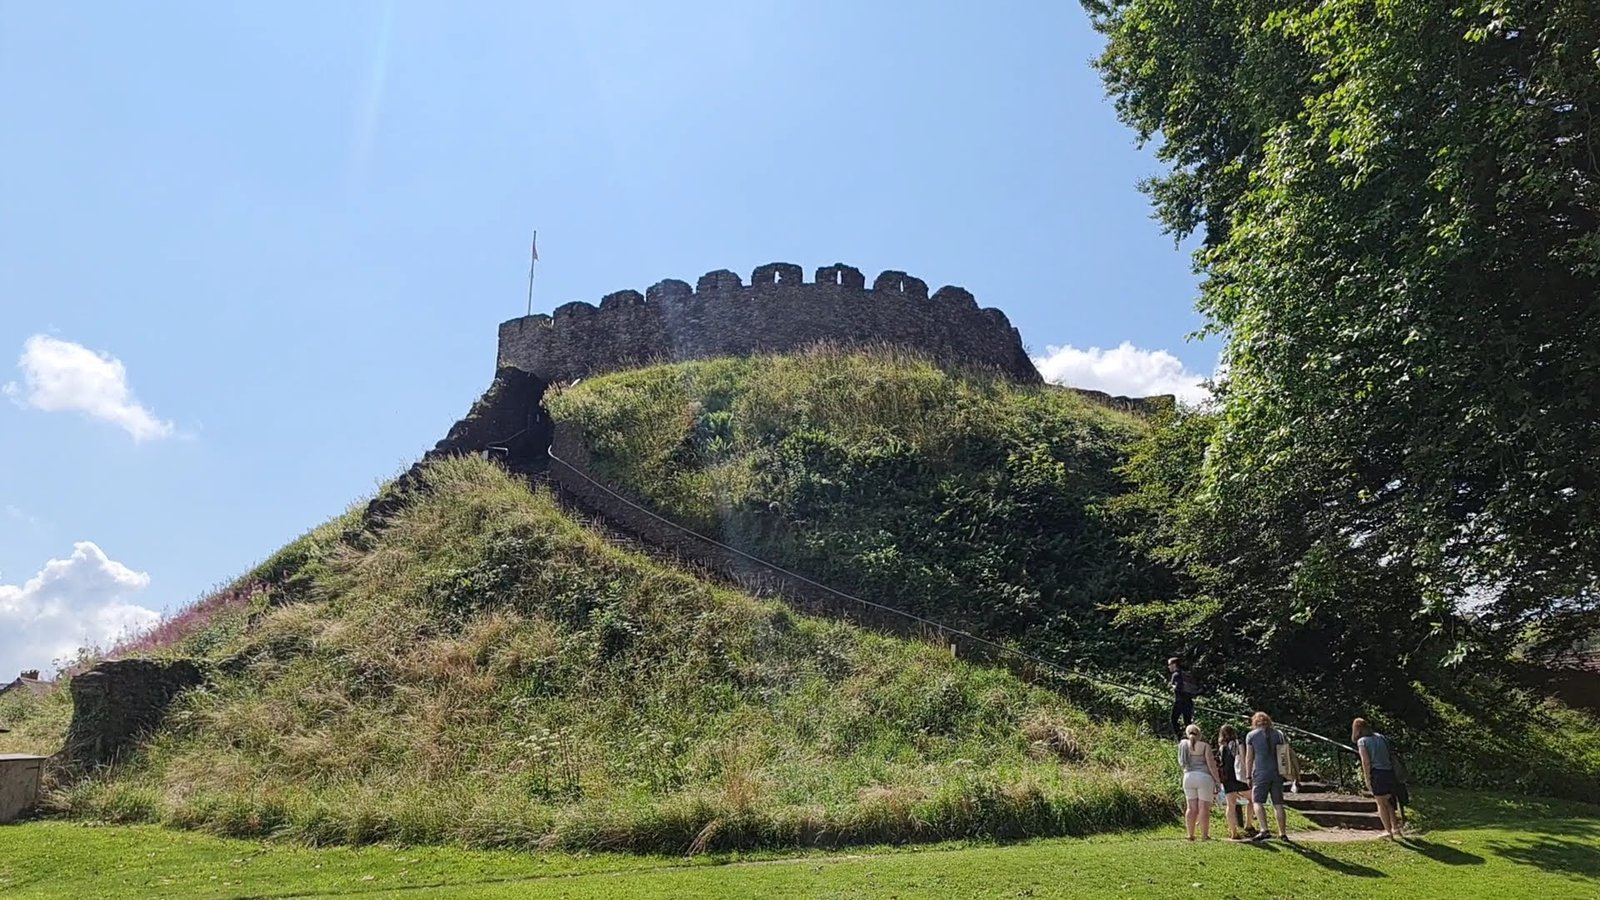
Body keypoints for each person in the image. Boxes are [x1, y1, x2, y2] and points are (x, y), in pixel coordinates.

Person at [1242, 711, 1290, 841]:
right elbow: (1284, 754)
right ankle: (1282, 833)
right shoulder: (1279, 735)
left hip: (1261, 772)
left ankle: (1264, 829)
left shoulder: (1251, 736)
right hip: (1277, 772)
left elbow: (1249, 757)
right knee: (1278, 803)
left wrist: (1247, 775)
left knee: (1257, 801)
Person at [1353, 717, 1404, 837]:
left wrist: (1367, 778)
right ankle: (1395, 828)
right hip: (1389, 772)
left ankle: (1387, 831)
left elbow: (1366, 762)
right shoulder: (1380, 737)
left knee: (1381, 803)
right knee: (1390, 802)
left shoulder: (1362, 742)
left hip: (1377, 774)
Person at [1178, 723, 1224, 841]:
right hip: (1204, 778)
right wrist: (1217, 781)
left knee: (1191, 807)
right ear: (1199, 734)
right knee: (1203, 807)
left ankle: (1190, 834)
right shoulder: (1204, 746)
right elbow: (1211, 765)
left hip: (1188, 777)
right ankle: (1204, 835)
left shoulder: (1183, 745)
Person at [1216, 724, 1255, 839]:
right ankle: (1249, 824)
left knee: (1230, 805)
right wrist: (1248, 774)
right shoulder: (1238, 743)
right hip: (1239, 777)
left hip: (1227, 778)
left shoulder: (1222, 747)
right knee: (1252, 799)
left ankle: (1233, 832)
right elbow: (1243, 759)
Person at [1167, 657, 1197, 736]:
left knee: (1173, 719)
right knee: (1188, 722)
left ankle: (1180, 737)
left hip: (1180, 702)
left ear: (1174, 665)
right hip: (1189, 702)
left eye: (1169, 665)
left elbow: (1178, 687)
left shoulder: (1176, 675)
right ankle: (1192, 739)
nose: (1168, 667)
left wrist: (1172, 686)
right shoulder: (1184, 674)